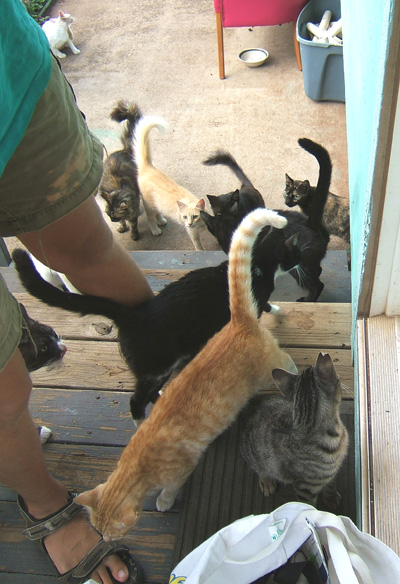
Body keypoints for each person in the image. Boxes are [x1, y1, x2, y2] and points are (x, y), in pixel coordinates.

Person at [0, 1, 154, 582]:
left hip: (9, 86)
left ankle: (177, 369)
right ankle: (46, 504)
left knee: (86, 246)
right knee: (4, 393)